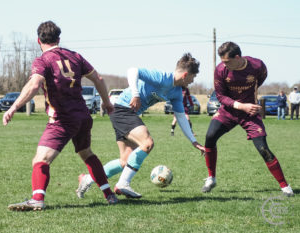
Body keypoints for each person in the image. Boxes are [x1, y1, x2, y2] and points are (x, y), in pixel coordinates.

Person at [3, 21, 118, 211]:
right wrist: (106, 102)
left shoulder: (43, 60)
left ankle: (37, 199)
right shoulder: (75, 56)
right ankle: (109, 195)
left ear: (38, 40)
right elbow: (99, 78)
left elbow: (34, 85)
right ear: (59, 39)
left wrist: (14, 107)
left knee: (40, 160)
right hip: (83, 116)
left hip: (63, 120)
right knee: (86, 153)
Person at [76, 53, 205, 199]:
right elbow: (133, 71)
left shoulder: (176, 92)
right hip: (122, 109)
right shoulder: (162, 77)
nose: (192, 81)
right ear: (186, 75)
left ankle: (88, 179)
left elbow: (181, 117)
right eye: (193, 78)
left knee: (125, 160)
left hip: (125, 113)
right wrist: (135, 94)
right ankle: (123, 184)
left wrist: (193, 141)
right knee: (147, 143)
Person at [201, 42, 294, 197]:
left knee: (263, 148)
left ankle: (285, 186)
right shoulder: (220, 70)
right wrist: (241, 105)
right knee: (210, 137)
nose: (223, 65)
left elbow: (261, 78)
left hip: (250, 113)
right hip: (228, 111)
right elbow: (221, 96)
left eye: (226, 61)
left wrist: (250, 100)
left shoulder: (257, 65)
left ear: (237, 57)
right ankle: (211, 178)